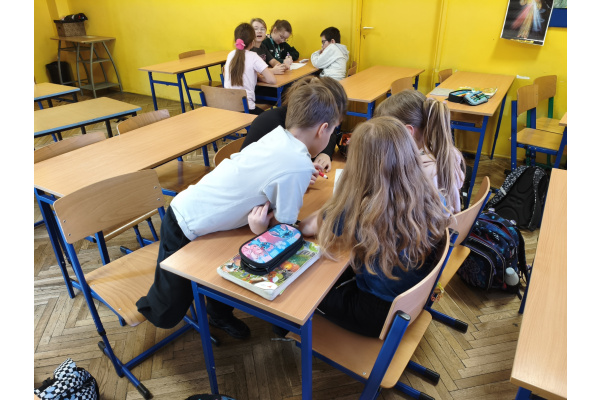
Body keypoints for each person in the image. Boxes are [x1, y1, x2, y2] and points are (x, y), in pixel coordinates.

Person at [136, 80, 341, 340]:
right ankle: (148, 313)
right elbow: (284, 231)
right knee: (169, 305)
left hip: (195, 211)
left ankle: (216, 312)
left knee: (209, 270)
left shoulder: (279, 137)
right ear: (323, 129)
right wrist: (277, 225)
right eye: (334, 130)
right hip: (187, 222)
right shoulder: (298, 164)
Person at [297, 116, 451, 337]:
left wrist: (343, 197)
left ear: (358, 167)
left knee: (302, 289)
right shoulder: (433, 198)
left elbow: (306, 227)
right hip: (408, 304)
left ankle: (283, 328)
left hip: (374, 314)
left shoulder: (360, 212)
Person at [375, 90, 466, 214]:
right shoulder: (447, 152)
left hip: (427, 224)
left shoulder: (421, 172)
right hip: (445, 220)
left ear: (408, 132)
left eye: (385, 133)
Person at [241, 75, 348, 175]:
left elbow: (331, 133)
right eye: (332, 124)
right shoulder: (269, 123)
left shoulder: (306, 123)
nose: (330, 130)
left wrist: (325, 153)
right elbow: (248, 168)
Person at [223, 22, 276, 115]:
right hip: (246, 109)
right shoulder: (253, 56)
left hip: (228, 108)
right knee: (273, 119)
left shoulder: (230, 54)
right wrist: (259, 77)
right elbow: (272, 80)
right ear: (252, 42)